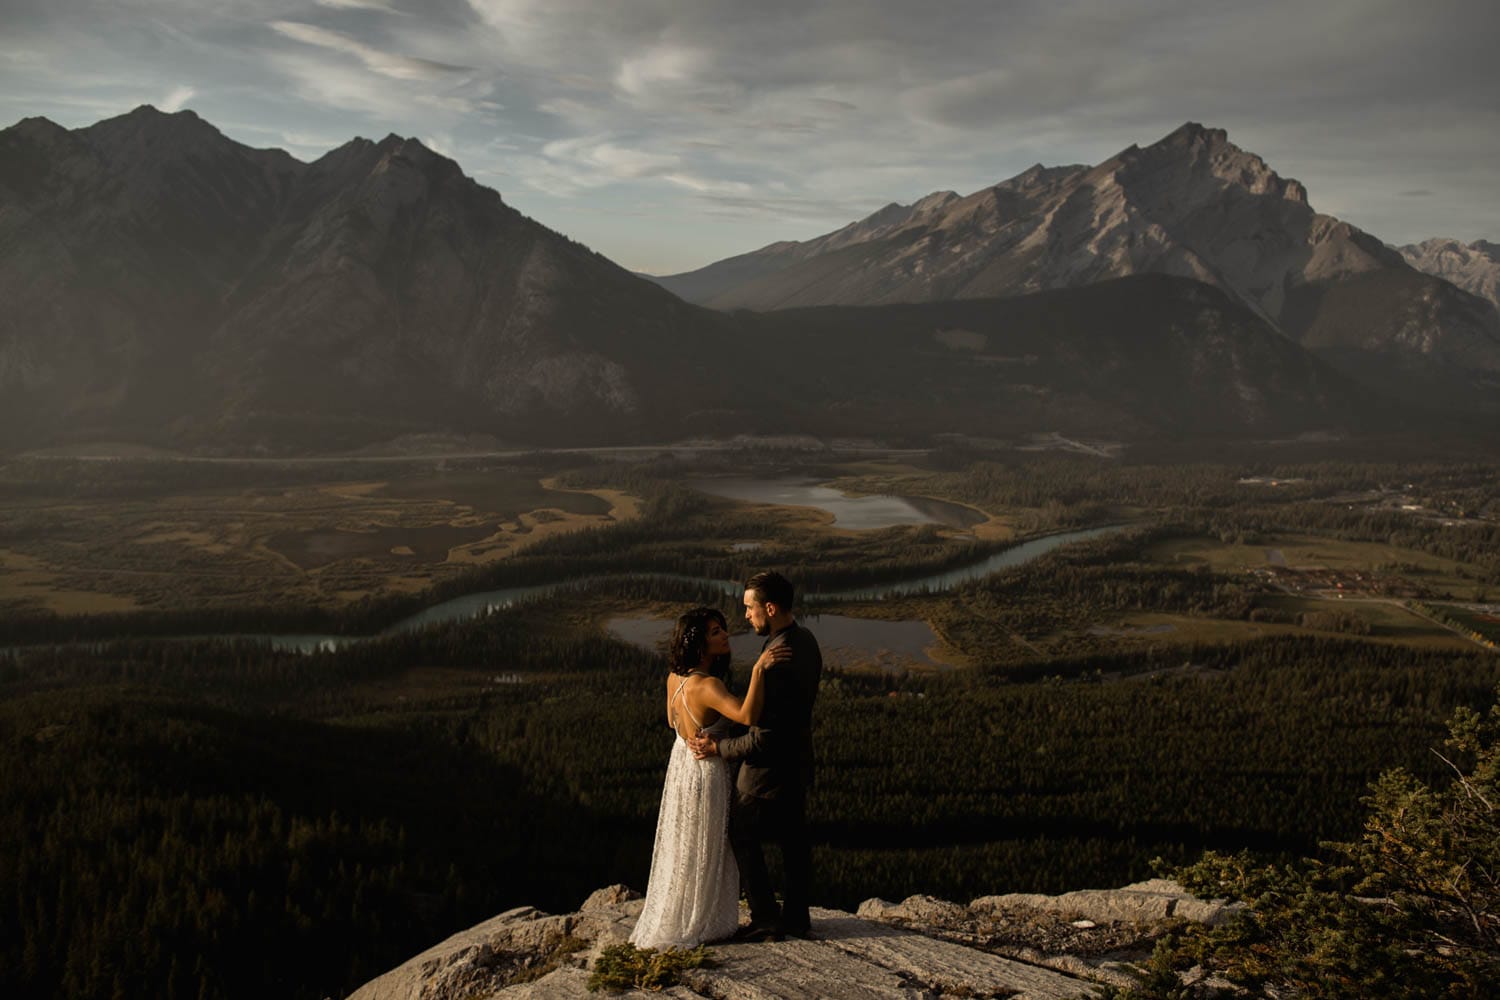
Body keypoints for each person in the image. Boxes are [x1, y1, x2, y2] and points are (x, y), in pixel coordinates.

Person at [629, 607, 791, 949]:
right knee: (708, 842)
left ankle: (680, 911)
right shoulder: (708, 685)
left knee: (686, 840)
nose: (724, 635)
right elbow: (748, 714)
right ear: (700, 644)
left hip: (682, 764)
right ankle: (702, 918)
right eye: (716, 631)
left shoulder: (674, 679)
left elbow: (673, 723)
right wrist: (760, 670)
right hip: (707, 770)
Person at [689, 571, 823, 941]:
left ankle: (765, 917)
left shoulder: (777, 657)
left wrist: (719, 748)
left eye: (749, 608)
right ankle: (796, 917)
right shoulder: (806, 640)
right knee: (794, 841)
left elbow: (764, 737)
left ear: (770, 607)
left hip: (764, 774)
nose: (745, 616)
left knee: (742, 834)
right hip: (797, 764)